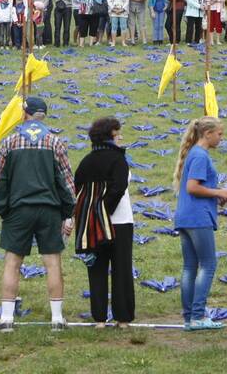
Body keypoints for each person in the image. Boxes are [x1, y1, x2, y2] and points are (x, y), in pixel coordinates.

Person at [0, 97, 75, 332]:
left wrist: (0, 207)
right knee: (52, 263)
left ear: (24, 114)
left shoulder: (10, 142)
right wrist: (68, 210)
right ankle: (57, 319)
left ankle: (7, 318)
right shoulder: (54, 142)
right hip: (49, 210)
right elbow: (67, 182)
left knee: (12, 262)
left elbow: (0, 180)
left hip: (19, 210)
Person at [72, 117, 134, 328]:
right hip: (120, 221)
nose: (121, 138)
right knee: (121, 268)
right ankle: (122, 317)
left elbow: (77, 188)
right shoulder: (118, 160)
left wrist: (95, 213)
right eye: (118, 134)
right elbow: (119, 187)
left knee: (97, 269)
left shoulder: (87, 161)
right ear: (110, 136)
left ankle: (99, 317)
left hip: (92, 224)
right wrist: (105, 210)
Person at [173, 117, 227, 331]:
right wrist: (219, 192)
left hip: (186, 216)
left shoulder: (193, 154)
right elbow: (192, 187)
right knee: (208, 265)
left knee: (190, 267)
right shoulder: (200, 155)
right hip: (199, 218)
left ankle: (189, 317)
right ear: (207, 134)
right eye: (219, 134)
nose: (221, 138)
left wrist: (215, 197)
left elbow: (195, 188)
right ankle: (198, 316)